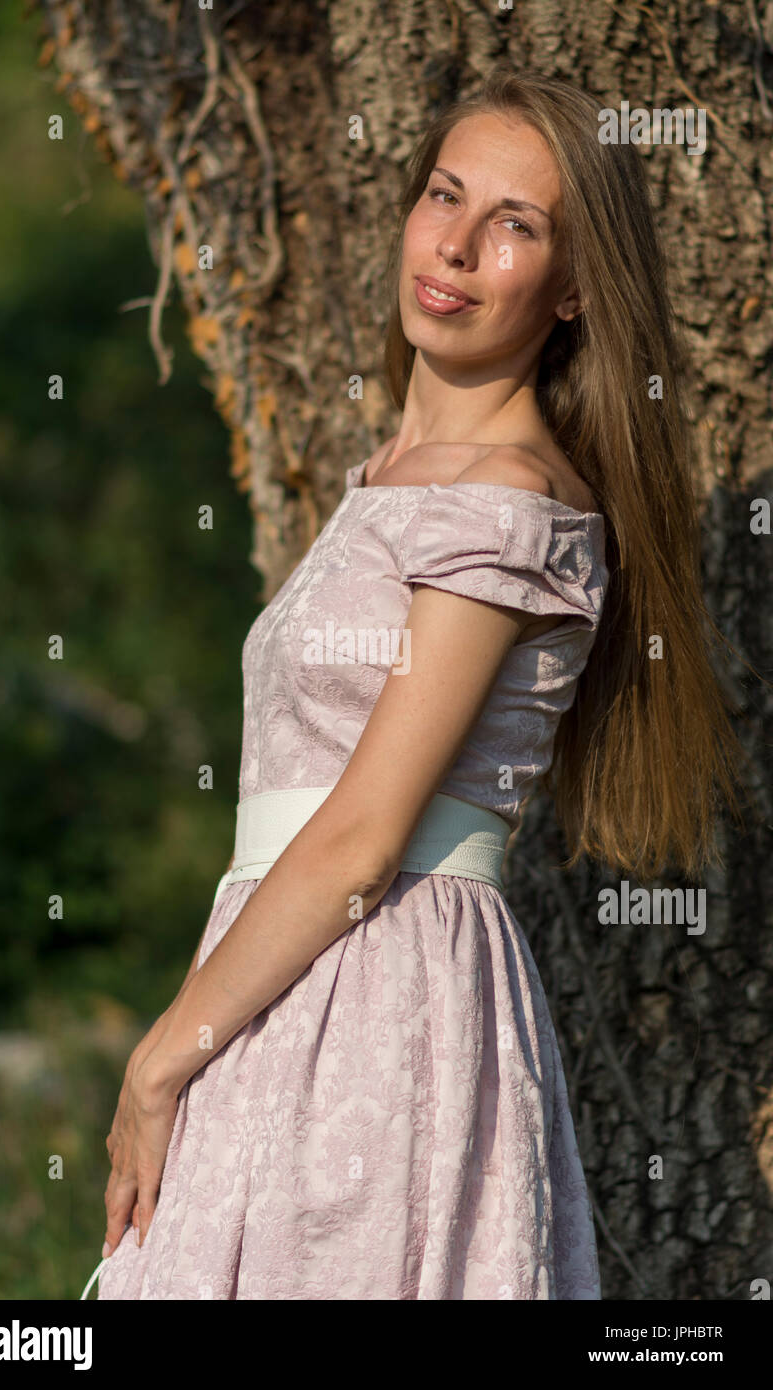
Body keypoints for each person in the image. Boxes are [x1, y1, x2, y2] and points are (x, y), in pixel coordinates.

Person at [85, 68, 748, 1300]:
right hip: (286, 978)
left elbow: (360, 839)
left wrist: (156, 1063)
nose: (452, 243)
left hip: (373, 994)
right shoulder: (393, 473)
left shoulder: (501, 497)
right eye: (444, 194)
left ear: (575, 289)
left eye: (514, 223)